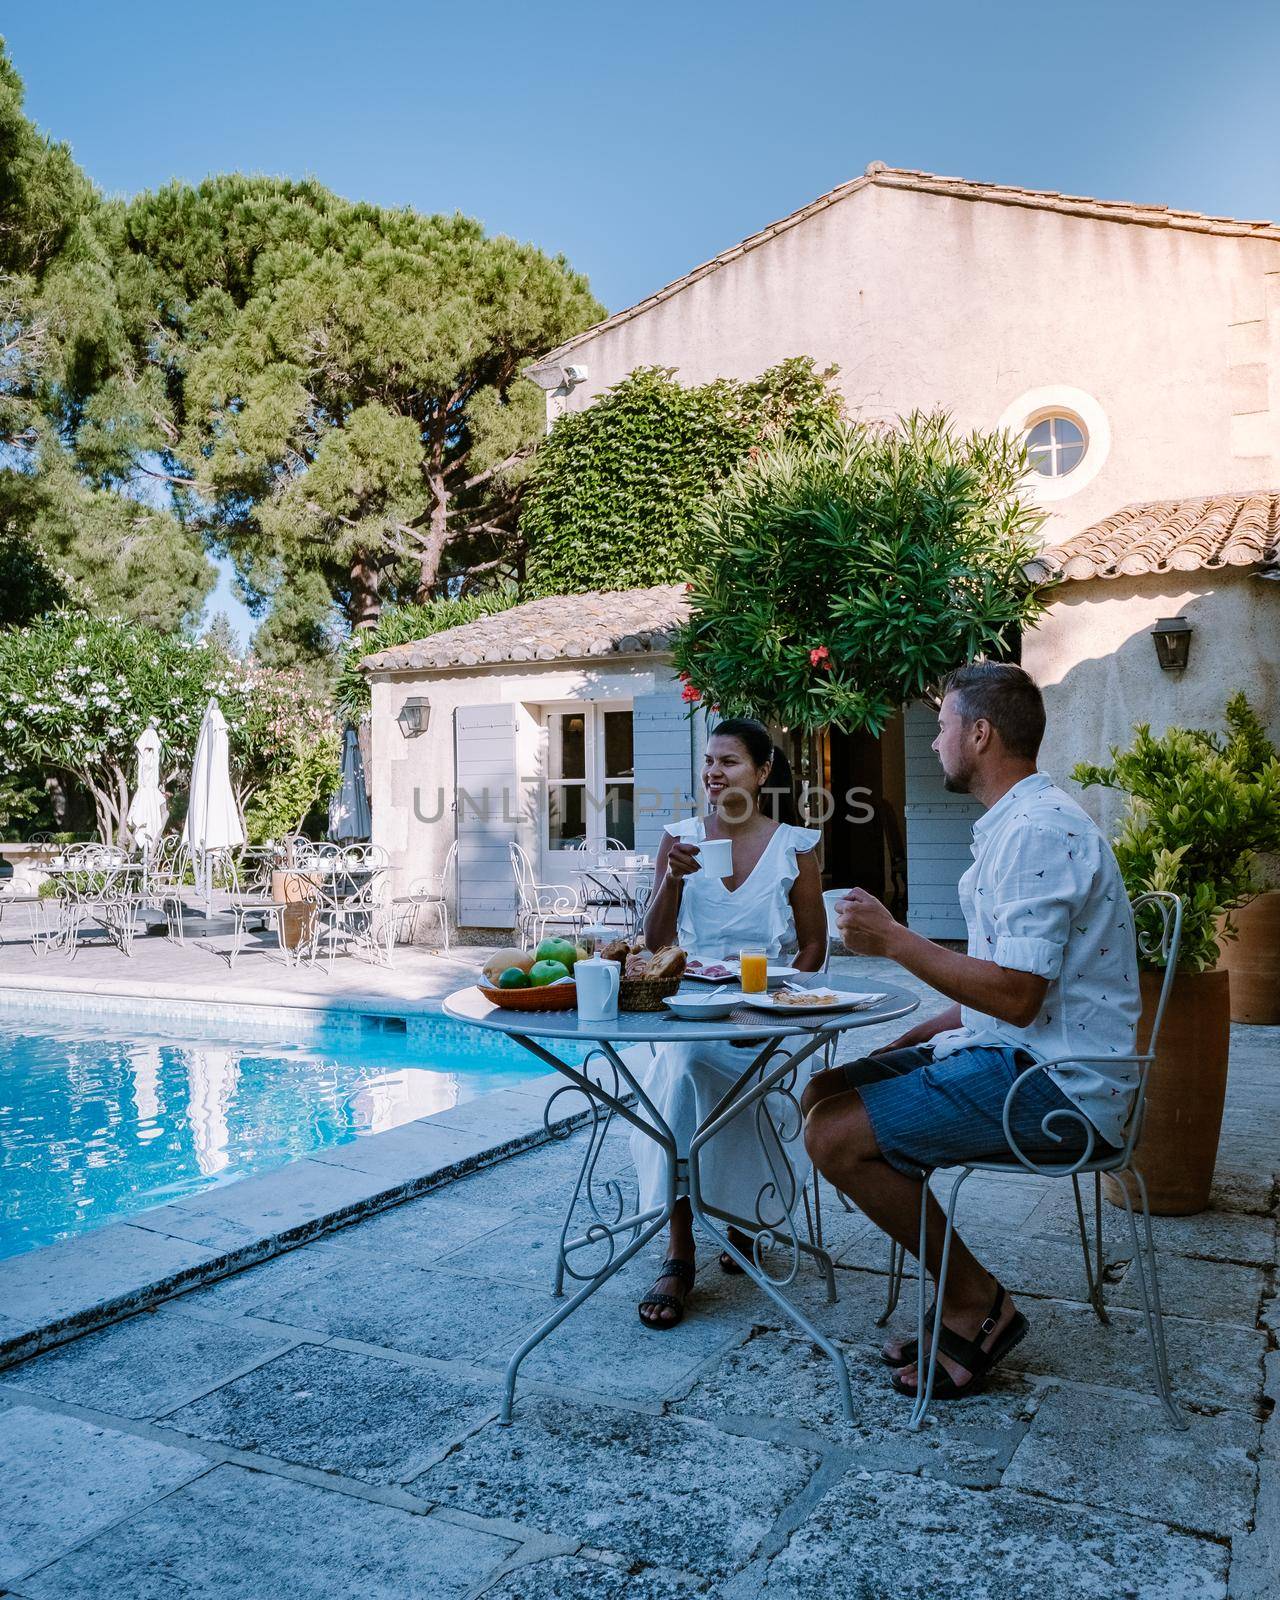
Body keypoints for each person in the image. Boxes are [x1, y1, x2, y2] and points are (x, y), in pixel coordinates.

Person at [802, 663, 1140, 1400]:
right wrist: (911, 1041)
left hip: (1062, 1088)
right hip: (1018, 1056)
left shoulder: (1037, 832)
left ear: (980, 734)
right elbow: (1004, 986)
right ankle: (959, 1281)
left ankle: (976, 1302)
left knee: (835, 1135)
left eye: (944, 726)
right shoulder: (1016, 825)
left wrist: (894, 940)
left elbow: (1018, 997)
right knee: (827, 1090)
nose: (933, 745)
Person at [633, 717, 828, 1330]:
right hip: (691, 1008)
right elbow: (653, 943)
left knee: (740, 1072)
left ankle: (742, 1221)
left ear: (763, 771)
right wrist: (672, 880)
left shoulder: (796, 845)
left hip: (765, 1010)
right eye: (709, 762)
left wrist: (780, 1000)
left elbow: (814, 948)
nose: (714, 773)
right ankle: (680, 1249)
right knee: (687, 1064)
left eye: (730, 762)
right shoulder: (681, 838)